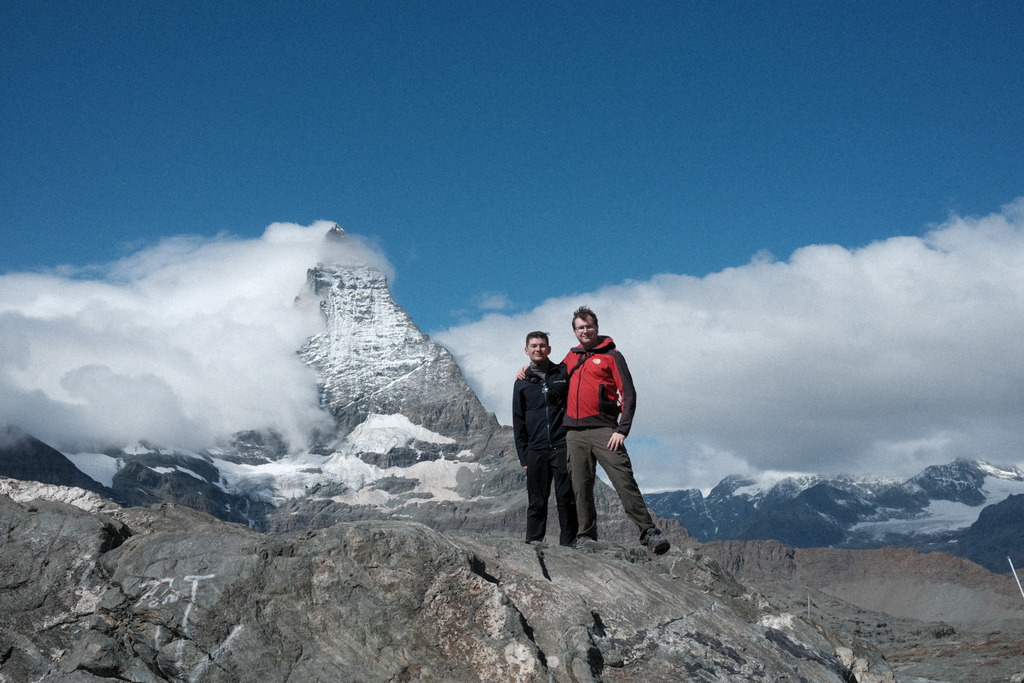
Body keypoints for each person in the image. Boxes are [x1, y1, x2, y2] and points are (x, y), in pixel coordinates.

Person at [562, 306, 669, 554]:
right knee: (581, 488)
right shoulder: (570, 358)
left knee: (624, 482)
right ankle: (586, 538)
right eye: (580, 327)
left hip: (606, 431)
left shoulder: (612, 356)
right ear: (575, 331)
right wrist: (526, 370)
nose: (585, 330)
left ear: (596, 328)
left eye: (589, 326)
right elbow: (552, 380)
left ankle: (649, 533)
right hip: (575, 434)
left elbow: (628, 394)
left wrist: (622, 429)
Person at [512, 331, 579, 546]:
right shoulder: (521, 383)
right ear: (526, 350)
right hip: (536, 450)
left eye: (542, 346)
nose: (538, 349)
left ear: (548, 349)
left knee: (566, 499)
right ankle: (533, 543)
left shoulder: (562, 373)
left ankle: (569, 545)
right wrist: (524, 457)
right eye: (533, 346)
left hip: (562, 446)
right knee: (537, 501)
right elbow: (518, 420)